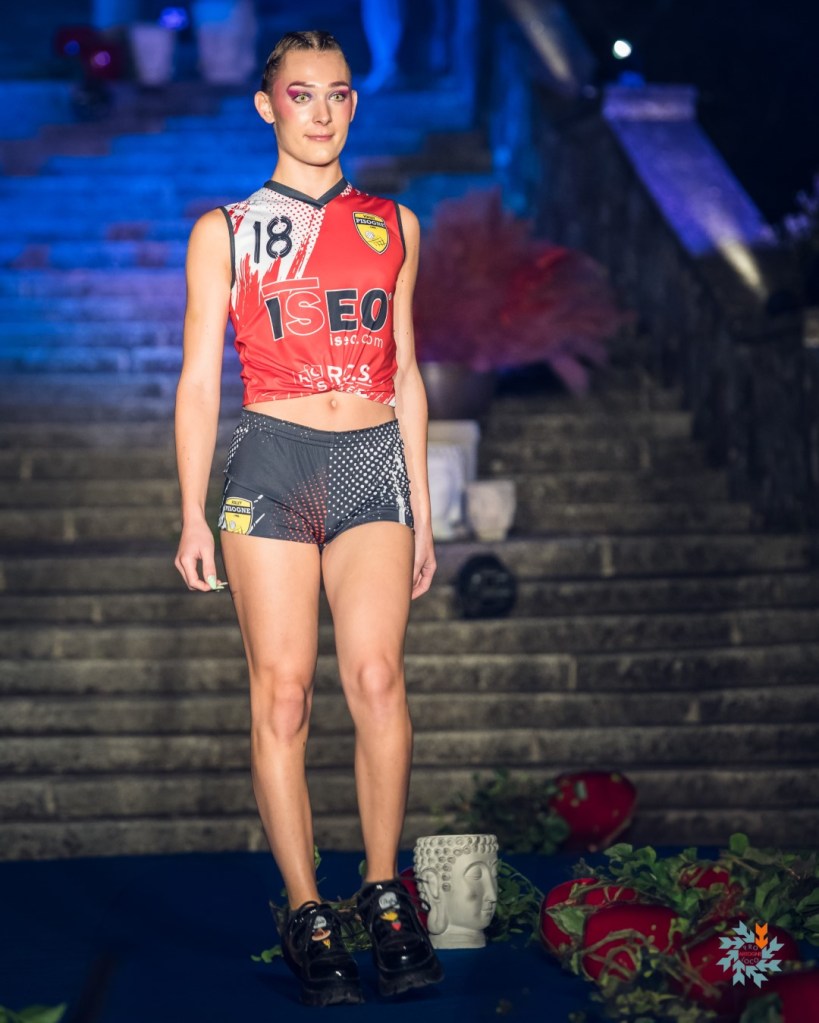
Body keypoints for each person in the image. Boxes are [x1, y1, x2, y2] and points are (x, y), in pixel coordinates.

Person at [173, 29, 443, 1007]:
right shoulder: (226, 230)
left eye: (337, 93)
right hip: (272, 465)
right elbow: (199, 380)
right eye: (301, 94)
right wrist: (191, 514)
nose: (320, 111)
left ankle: (383, 891)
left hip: (371, 465)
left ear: (353, 105)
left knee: (377, 678)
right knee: (282, 695)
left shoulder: (396, 224)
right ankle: (305, 909)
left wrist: (423, 511)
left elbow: (406, 371)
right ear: (266, 105)